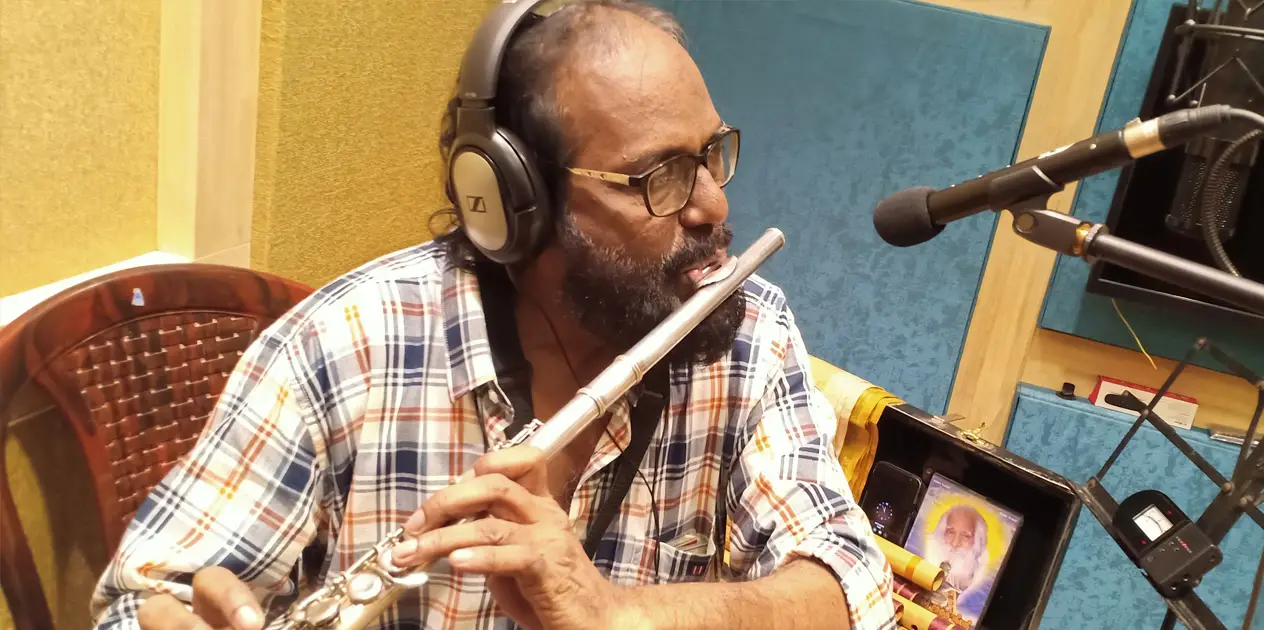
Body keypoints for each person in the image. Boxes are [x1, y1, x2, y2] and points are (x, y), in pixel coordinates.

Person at [90, 2, 895, 629]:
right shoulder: (343, 349)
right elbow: (140, 600)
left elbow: (852, 585)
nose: (713, 205)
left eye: (711, 154)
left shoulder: (745, 333)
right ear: (514, 202)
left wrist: (618, 614)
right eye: (659, 176)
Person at [924, 505, 989, 594]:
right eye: (951, 532)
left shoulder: (979, 583)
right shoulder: (927, 553)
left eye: (966, 536)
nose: (955, 543)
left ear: (977, 541)